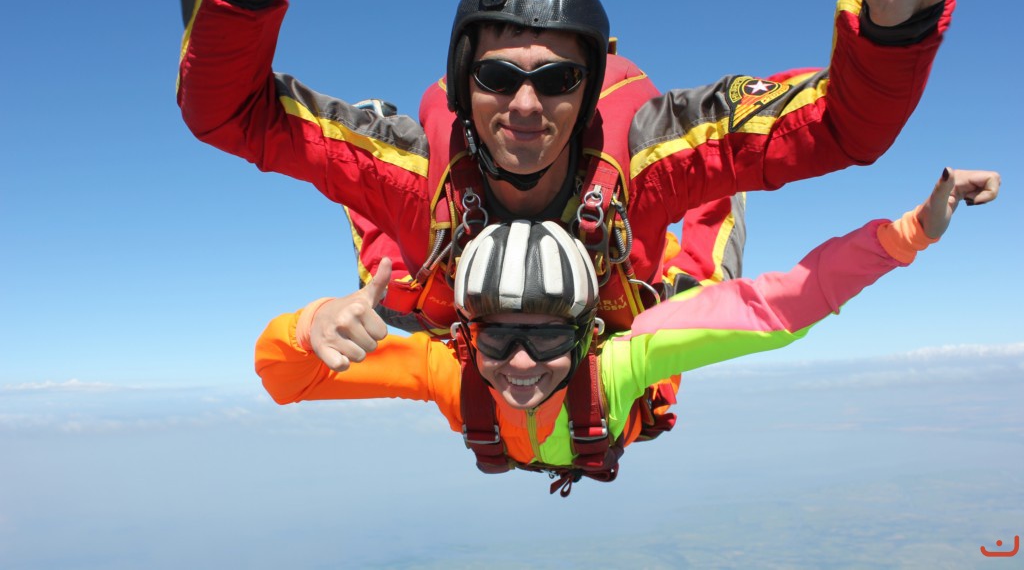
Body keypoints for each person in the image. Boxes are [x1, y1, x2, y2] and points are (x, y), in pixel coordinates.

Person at [177, 0, 1022, 338]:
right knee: (392, 267)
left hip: (630, 315)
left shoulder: (650, 154)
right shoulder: (414, 167)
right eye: (498, 75)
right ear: (462, 82)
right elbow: (231, 115)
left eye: (559, 80)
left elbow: (841, 130)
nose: (525, 104)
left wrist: (896, 27)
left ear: (590, 90)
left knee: (700, 273)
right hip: (460, 328)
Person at [255, 167, 999, 495]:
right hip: (597, 414)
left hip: (639, 324)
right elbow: (284, 378)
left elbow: (776, 310)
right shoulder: (450, 369)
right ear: (469, 334)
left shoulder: (619, 362)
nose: (520, 362)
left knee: (701, 273)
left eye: (549, 339)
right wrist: (311, 325)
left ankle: (702, 170)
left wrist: (911, 232)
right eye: (498, 338)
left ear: (585, 335)